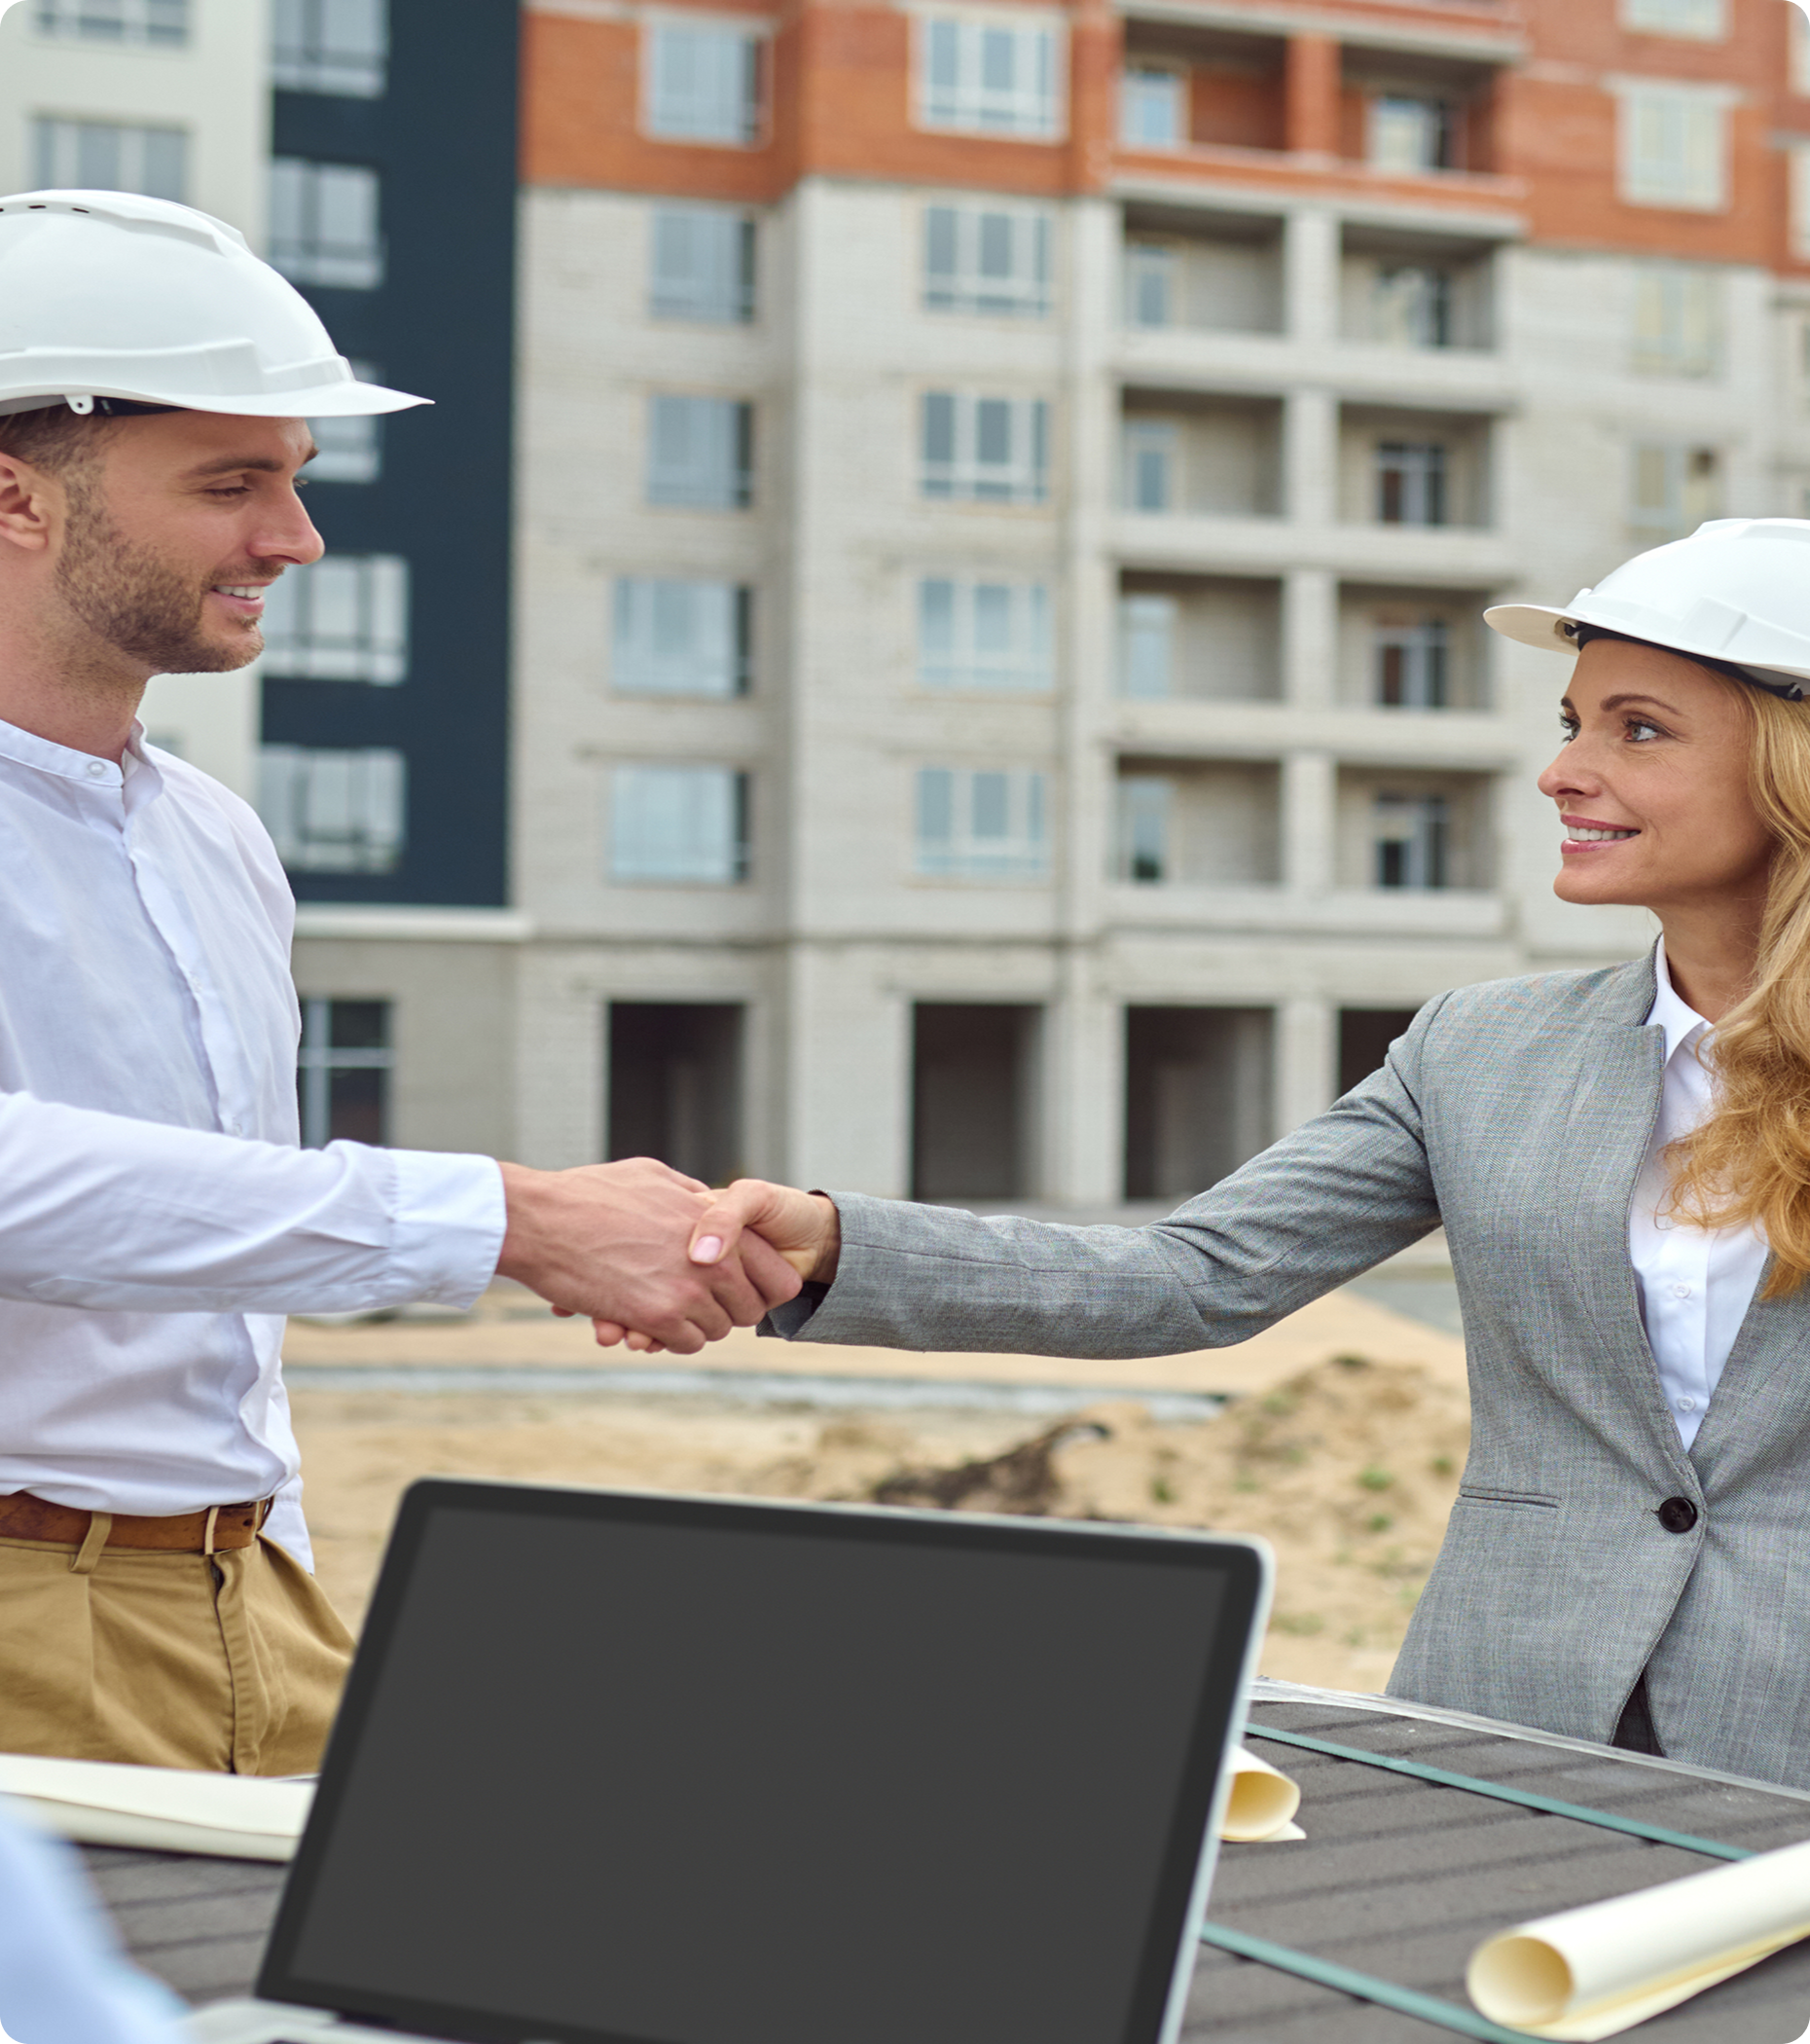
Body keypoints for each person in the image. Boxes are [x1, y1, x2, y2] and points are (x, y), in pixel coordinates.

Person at [657, 517, 1810, 1792]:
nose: (1563, 773)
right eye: (1570, 722)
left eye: (1638, 729)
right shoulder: (1481, 1051)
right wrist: (841, 1245)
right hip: (1512, 1720)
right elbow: (1190, 1275)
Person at [0, 189, 800, 1774]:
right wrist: (512, 1219)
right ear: (16, 499)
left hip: (248, 1596)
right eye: (233, 484)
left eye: (294, 481)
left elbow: (215, 1281)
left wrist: (270, 1549)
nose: (295, 539)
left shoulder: (217, 840)